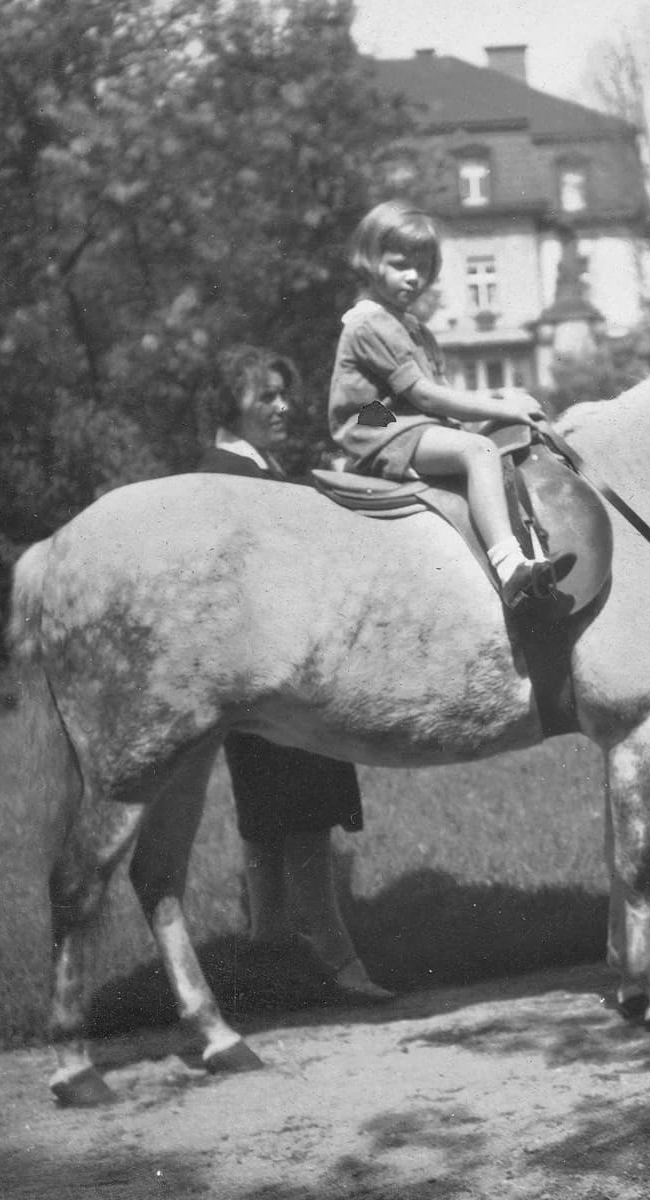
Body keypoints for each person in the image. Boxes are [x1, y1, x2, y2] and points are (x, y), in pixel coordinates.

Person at [196, 345, 393, 1004]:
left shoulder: (248, 469)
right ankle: (336, 960)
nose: (283, 406)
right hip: (278, 685)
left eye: (283, 393)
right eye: (266, 398)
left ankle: (270, 951)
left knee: (268, 825)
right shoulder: (232, 476)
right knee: (304, 823)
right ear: (231, 406)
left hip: (258, 686)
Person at [328, 200, 554, 607]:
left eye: (423, 267)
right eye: (400, 264)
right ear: (370, 261)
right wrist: (501, 407)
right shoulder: (370, 323)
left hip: (413, 424)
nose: (413, 277)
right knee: (480, 449)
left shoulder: (413, 327)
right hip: (378, 427)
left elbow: (441, 397)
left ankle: (539, 549)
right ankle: (509, 566)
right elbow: (425, 395)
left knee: (506, 442)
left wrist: (500, 402)